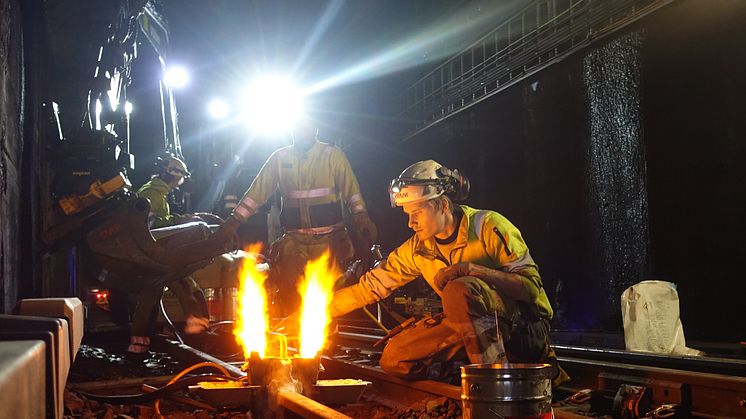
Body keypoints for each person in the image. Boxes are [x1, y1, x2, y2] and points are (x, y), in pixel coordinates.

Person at [325, 160, 566, 384]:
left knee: (459, 288)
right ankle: (468, 375)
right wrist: (319, 313)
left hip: (524, 328)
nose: (410, 223)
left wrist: (472, 270)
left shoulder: (489, 226)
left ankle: (497, 387)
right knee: (394, 358)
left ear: (442, 205)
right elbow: (369, 288)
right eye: (407, 214)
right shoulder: (418, 249)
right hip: (469, 328)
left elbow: (531, 289)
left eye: (417, 213)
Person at [215, 118, 377, 316]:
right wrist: (234, 222)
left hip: (329, 241)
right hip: (294, 242)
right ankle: (295, 340)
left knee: (326, 297)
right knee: (291, 293)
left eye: (307, 128)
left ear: (315, 129)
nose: (303, 133)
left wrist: (361, 217)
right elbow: (256, 193)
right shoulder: (280, 158)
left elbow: (352, 191)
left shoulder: (331, 155)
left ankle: (327, 342)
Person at [127, 155, 211, 355]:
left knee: (151, 294)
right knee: (184, 282)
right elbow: (148, 227)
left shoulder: (156, 192)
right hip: (153, 255)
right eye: (181, 177)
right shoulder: (152, 194)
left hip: (151, 254)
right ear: (175, 176)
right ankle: (198, 330)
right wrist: (182, 221)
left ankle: (138, 346)